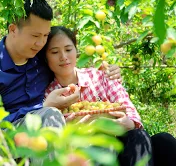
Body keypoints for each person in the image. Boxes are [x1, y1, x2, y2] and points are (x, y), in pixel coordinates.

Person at [0, 0, 121, 130]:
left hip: (45, 132)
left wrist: (107, 72)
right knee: (50, 115)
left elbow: (69, 67)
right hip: (2, 139)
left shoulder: (42, 57)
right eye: (35, 36)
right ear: (13, 29)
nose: (41, 43)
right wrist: (43, 107)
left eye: (45, 35)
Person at [42, 26, 176, 166]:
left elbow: (130, 113)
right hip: (87, 153)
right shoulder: (48, 95)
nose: (63, 57)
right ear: (46, 57)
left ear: (76, 50)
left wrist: (127, 123)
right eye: (55, 52)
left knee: (161, 140)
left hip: (121, 146)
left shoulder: (100, 76)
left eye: (68, 49)